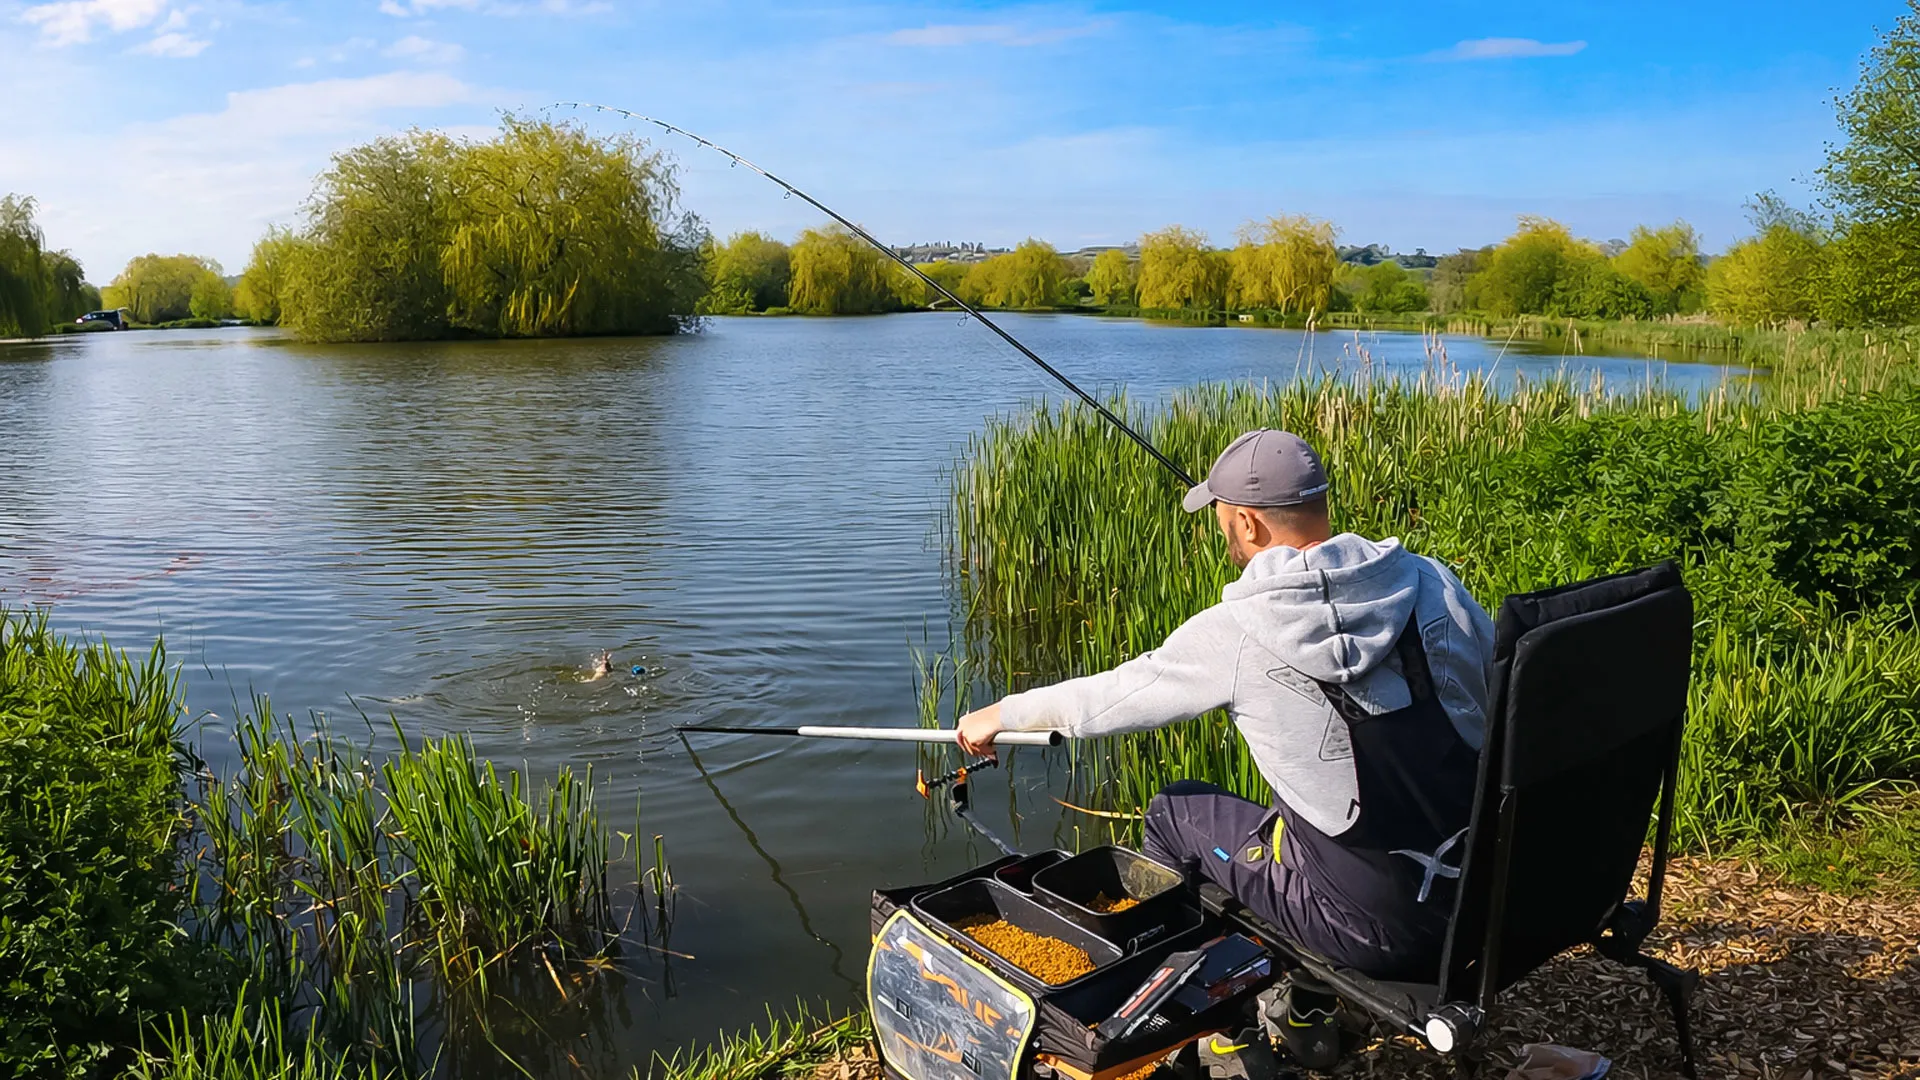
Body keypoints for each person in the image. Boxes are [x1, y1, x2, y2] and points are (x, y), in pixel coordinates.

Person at [956, 428, 1495, 990]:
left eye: (1221, 516)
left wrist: (1000, 713)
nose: (1223, 531)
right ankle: (1300, 999)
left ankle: (1202, 1000)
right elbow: (1496, 695)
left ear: (1247, 523)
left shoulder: (1237, 631)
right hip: (1482, 902)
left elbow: (1109, 697)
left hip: (1375, 934)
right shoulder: (1434, 582)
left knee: (1175, 812)